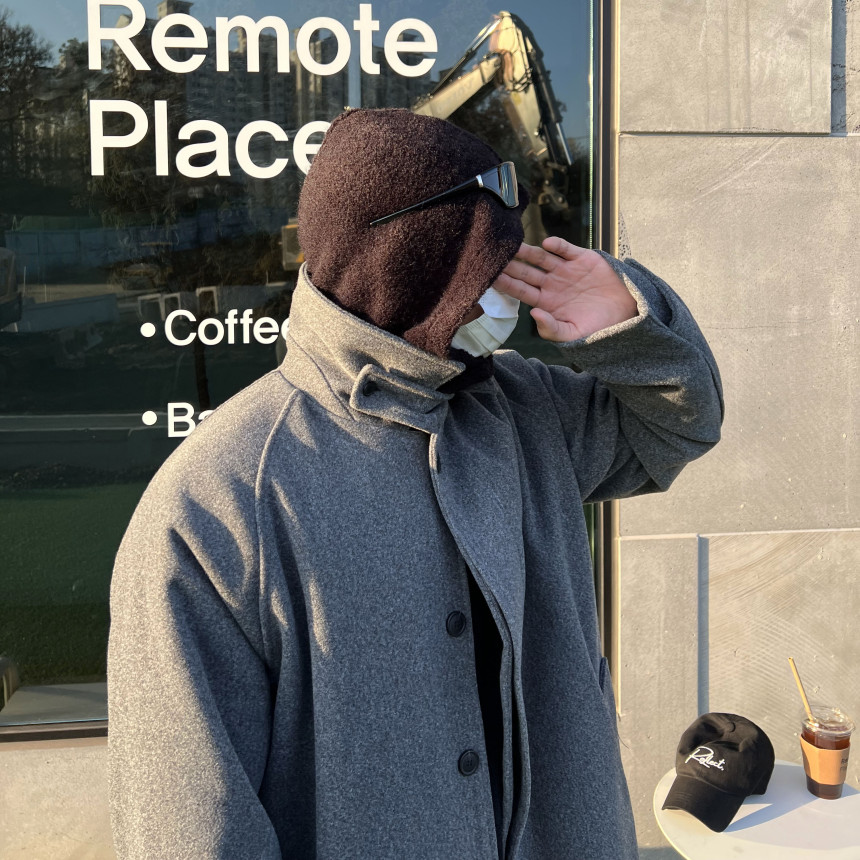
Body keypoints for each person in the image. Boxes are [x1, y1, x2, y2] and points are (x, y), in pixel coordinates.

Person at [108, 109, 723, 860]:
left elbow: (680, 429)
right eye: (488, 271)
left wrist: (628, 318)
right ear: (411, 268)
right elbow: (192, 828)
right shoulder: (220, 501)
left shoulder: (524, 410)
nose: (509, 294)